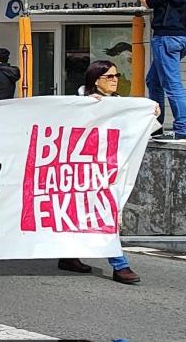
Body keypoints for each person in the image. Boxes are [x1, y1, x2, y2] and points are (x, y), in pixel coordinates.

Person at [56, 59, 157, 284]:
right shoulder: (80, 102)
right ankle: (119, 265)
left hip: (111, 169)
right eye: (109, 77)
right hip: (84, 169)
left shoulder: (120, 103)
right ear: (95, 80)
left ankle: (69, 256)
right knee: (102, 212)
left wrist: (149, 112)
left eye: (116, 76)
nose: (114, 81)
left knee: (92, 212)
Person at [126, 0, 186, 139]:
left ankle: (183, 129)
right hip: (181, 36)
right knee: (153, 81)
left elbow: (149, 2)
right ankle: (156, 125)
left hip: (167, 37)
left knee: (172, 83)